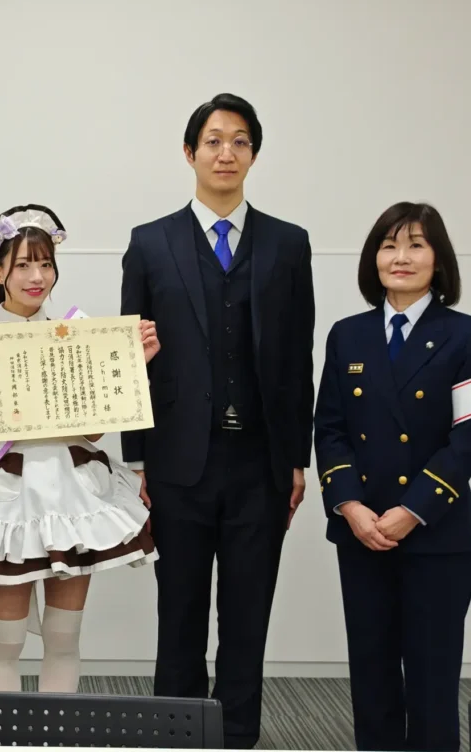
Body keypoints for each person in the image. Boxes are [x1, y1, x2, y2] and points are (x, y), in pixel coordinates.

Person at [119, 93, 315, 748]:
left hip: (260, 462)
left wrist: (297, 458)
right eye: (212, 140)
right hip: (178, 462)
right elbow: (131, 360)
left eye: (238, 140)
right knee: (178, 613)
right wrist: (139, 458)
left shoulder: (289, 244)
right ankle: (175, 737)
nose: (225, 152)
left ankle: (237, 739)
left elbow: (297, 356)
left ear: (253, 154)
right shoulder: (149, 244)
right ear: (189, 153)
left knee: (246, 616)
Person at [0, 204, 161, 694]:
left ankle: (58, 743)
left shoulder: (76, 335)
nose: (37, 277)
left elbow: (93, 433)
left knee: (63, 636)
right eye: (23, 265)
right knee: (7, 639)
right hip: (5, 490)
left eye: (46, 264)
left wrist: (131, 369)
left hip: (73, 486)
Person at [314, 202, 471, 752]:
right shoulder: (347, 335)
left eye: (416, 244)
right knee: (371, 675)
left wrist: (412, 510)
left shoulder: (469, 334)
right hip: (362, 530)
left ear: (438, 258)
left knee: (431, 677)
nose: (401, 257)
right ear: (373, 258)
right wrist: (351, 506)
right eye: (389, 245)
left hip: (436, 532)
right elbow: (330, 429)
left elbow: (469, 437)